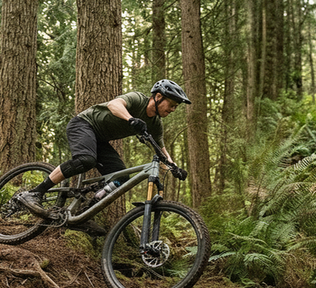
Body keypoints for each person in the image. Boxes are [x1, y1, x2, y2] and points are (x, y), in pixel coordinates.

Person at [17, 79, 191, 217]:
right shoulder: (138, 99)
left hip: (100, 140)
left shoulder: (155, 124)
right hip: (83, 124)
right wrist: (131, 119)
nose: (174, 109)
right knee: (85, 160)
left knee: (122, 178)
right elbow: (114, 105)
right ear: (159, 96)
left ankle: (85, 213)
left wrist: (173, 167)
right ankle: (34, 193)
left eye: (176, 106)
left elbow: (161, 150)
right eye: (172, 104)